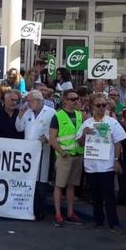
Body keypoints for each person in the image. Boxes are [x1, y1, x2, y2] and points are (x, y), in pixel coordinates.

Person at [80, 94, 126, 233]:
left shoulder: (112, 122)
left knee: (110, 196)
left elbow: (118, 141)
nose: (101, 108)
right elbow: (80, 143)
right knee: (95, 196)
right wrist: (84, 133)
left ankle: (114, 223)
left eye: (103, 105)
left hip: (107, 166)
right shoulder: (87, 123)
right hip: (91, 166)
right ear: (92, 107)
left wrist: (117, 160)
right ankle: (98, 220)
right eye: (98, 105)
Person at [16, 90, 56, 221]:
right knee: (29, 181)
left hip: (43, 151)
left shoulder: (50, 113)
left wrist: (47, 138)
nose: (28, 104)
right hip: (28, 153)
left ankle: (39, 210)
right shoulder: (27, 112)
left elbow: (56, 130)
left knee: (41, 181)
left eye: (30, 101)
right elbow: (19, 128)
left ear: (39, 101)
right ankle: (29, 208)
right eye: (27, 101)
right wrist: (20, 114)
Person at [49, 91, 84, 227]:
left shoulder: (80, 115)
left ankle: (70, 213)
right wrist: (61, 152)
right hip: (65, 156)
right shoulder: (57, 116)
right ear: (65, 101)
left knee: (71, 185)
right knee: (59, 185)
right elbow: (52, 138)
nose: (76, 101)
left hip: (77, 155)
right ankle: (58, 214)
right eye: (73, 99)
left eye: (77, 98)